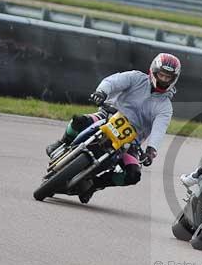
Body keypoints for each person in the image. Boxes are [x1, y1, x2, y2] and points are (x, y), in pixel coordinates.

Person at [46, 53, 180, 203]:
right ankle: (62, 143)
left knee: (133, 174)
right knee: (79, 121)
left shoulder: (165, 107)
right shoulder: (136, 77)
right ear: (153, 71)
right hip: (107, 116)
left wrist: (151, 150)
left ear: (173, 79)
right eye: (161, 75)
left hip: (131, 141)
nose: (163, 80)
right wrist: (101, 92)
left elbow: (159, 129)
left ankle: (94, 185)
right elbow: (113, 81)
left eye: (168, 77)